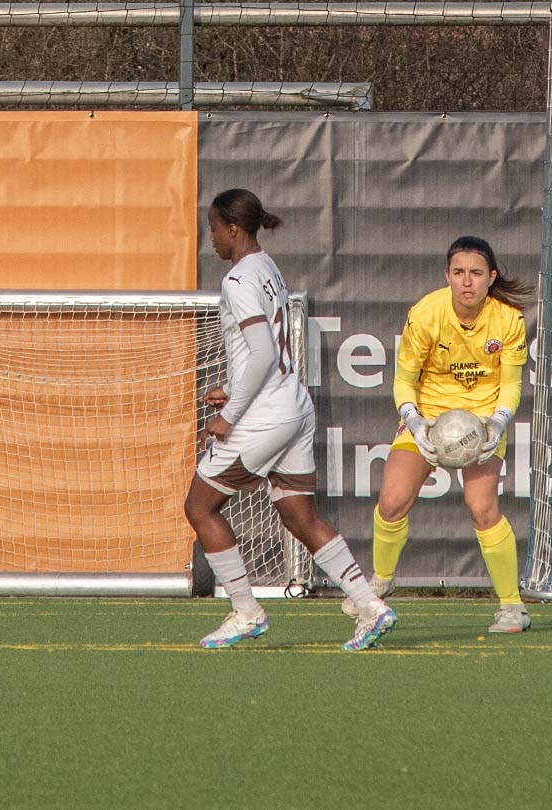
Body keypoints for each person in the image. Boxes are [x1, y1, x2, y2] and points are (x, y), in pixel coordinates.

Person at [184, 188, 397, 652]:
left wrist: (230, 414)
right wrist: (232, 388)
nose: (211, 239)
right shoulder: (267, 266)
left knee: (199, 507)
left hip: (266, 416)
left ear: (233, 229)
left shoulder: (238, 279)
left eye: (214, 229)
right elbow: (266, 353)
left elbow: (262, 352)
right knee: (300, 516)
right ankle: (370, 606)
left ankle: (246, 611)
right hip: (294, 406)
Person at [342, 236, 534, 632]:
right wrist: (414, 422)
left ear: (491, 277)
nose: (467, 281)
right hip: (428, 418)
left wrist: (497, 423)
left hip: (482, 422)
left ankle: (512, 607)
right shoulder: (426, 313)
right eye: (459, 272)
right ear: (447, 276)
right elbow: (403, 380)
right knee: (391, 502)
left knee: (482, 506)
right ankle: (380, 582)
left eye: (476, 273)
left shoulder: (509, 319)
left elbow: (511, 385)